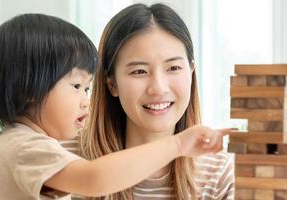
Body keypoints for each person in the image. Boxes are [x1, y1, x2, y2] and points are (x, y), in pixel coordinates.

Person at [0, 13, 229, 200]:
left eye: (87, 88)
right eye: (76, 86)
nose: (86, 99)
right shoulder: (25, 148)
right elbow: (94, 179)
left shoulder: (29, 148)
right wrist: (178, 145)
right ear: (28, 89)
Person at [76, 3, 234, 199]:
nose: (158, 88)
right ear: (112, 84)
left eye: (173, 68)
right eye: (139, 71)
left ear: (191, 72)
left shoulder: (217, 173)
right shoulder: (67, 160)